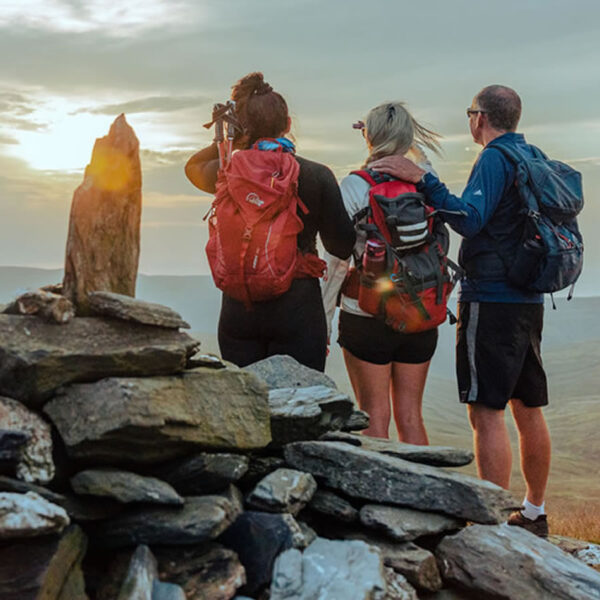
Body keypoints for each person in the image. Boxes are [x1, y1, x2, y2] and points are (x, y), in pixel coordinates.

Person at [371, 85, 551, 537]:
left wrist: (423, 180)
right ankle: (533, 512)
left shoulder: (493, 158)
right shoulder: (532, 154)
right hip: (529, 298)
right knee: (528, 406)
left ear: (479, 118)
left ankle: (493, 523)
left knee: (486, 410)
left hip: (491, 298)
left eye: (470, 113)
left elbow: (470, 218)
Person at [185, 72, 355, 371]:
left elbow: (193, 167)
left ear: (242, 128)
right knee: (303, 408)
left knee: (247, 409)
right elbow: (341, 244)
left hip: (239, 309)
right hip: (298, 308)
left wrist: (230, 139)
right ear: (287, 124)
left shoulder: (227, 173)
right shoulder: (316, 175)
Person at [322, 101, 443, 443]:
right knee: (411, 416)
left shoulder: (354, 186)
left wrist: (324, 318)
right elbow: (422, 163)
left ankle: (379, 495)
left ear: (369, 138)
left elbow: (336, 262)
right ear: (408, 139)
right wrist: (402, 142)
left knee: (373, 417)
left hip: (366, 313)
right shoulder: (426, 182)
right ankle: (421, 494)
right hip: (420, 313)